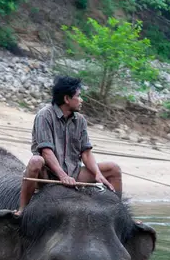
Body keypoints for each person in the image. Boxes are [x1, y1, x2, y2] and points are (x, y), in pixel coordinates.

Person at [14, 76, 122, 217]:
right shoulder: (44, 116)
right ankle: (22, 209)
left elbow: (86, 153)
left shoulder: (80, 120)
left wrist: (98, 174)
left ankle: (119, 215)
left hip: (73, 173)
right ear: (66, 99)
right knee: (36, 161)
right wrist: (63, 176)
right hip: (47, 174)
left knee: (114, 169)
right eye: (78, 96)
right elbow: (46, 152)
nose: (81, 100)